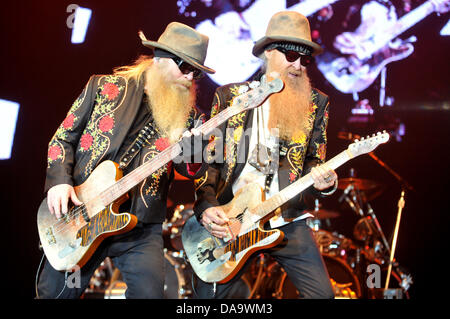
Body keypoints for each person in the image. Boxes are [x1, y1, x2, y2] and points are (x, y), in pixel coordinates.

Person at [36, 22, 214, 299]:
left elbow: (189, 170)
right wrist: (59, 182)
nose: (190, 77)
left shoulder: (190, 118)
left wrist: (194, 153)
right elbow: (62, 139)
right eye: (185, 67)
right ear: (162, 58)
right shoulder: (104, 87)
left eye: (196, 73)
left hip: (139, 227)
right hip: (81, 215)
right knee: (54, 295)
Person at [193, 11, 338, 299]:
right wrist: (206, 206)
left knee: (323, 296)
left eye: (305, 59)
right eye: (290, 54)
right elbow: (209, 163)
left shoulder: (317, 103)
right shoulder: (230, 97)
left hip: (286, 217)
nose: (298, 65)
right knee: (212, 299)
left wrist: (326, 182)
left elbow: (314, 161)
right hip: (232, 217)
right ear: (268, 52)